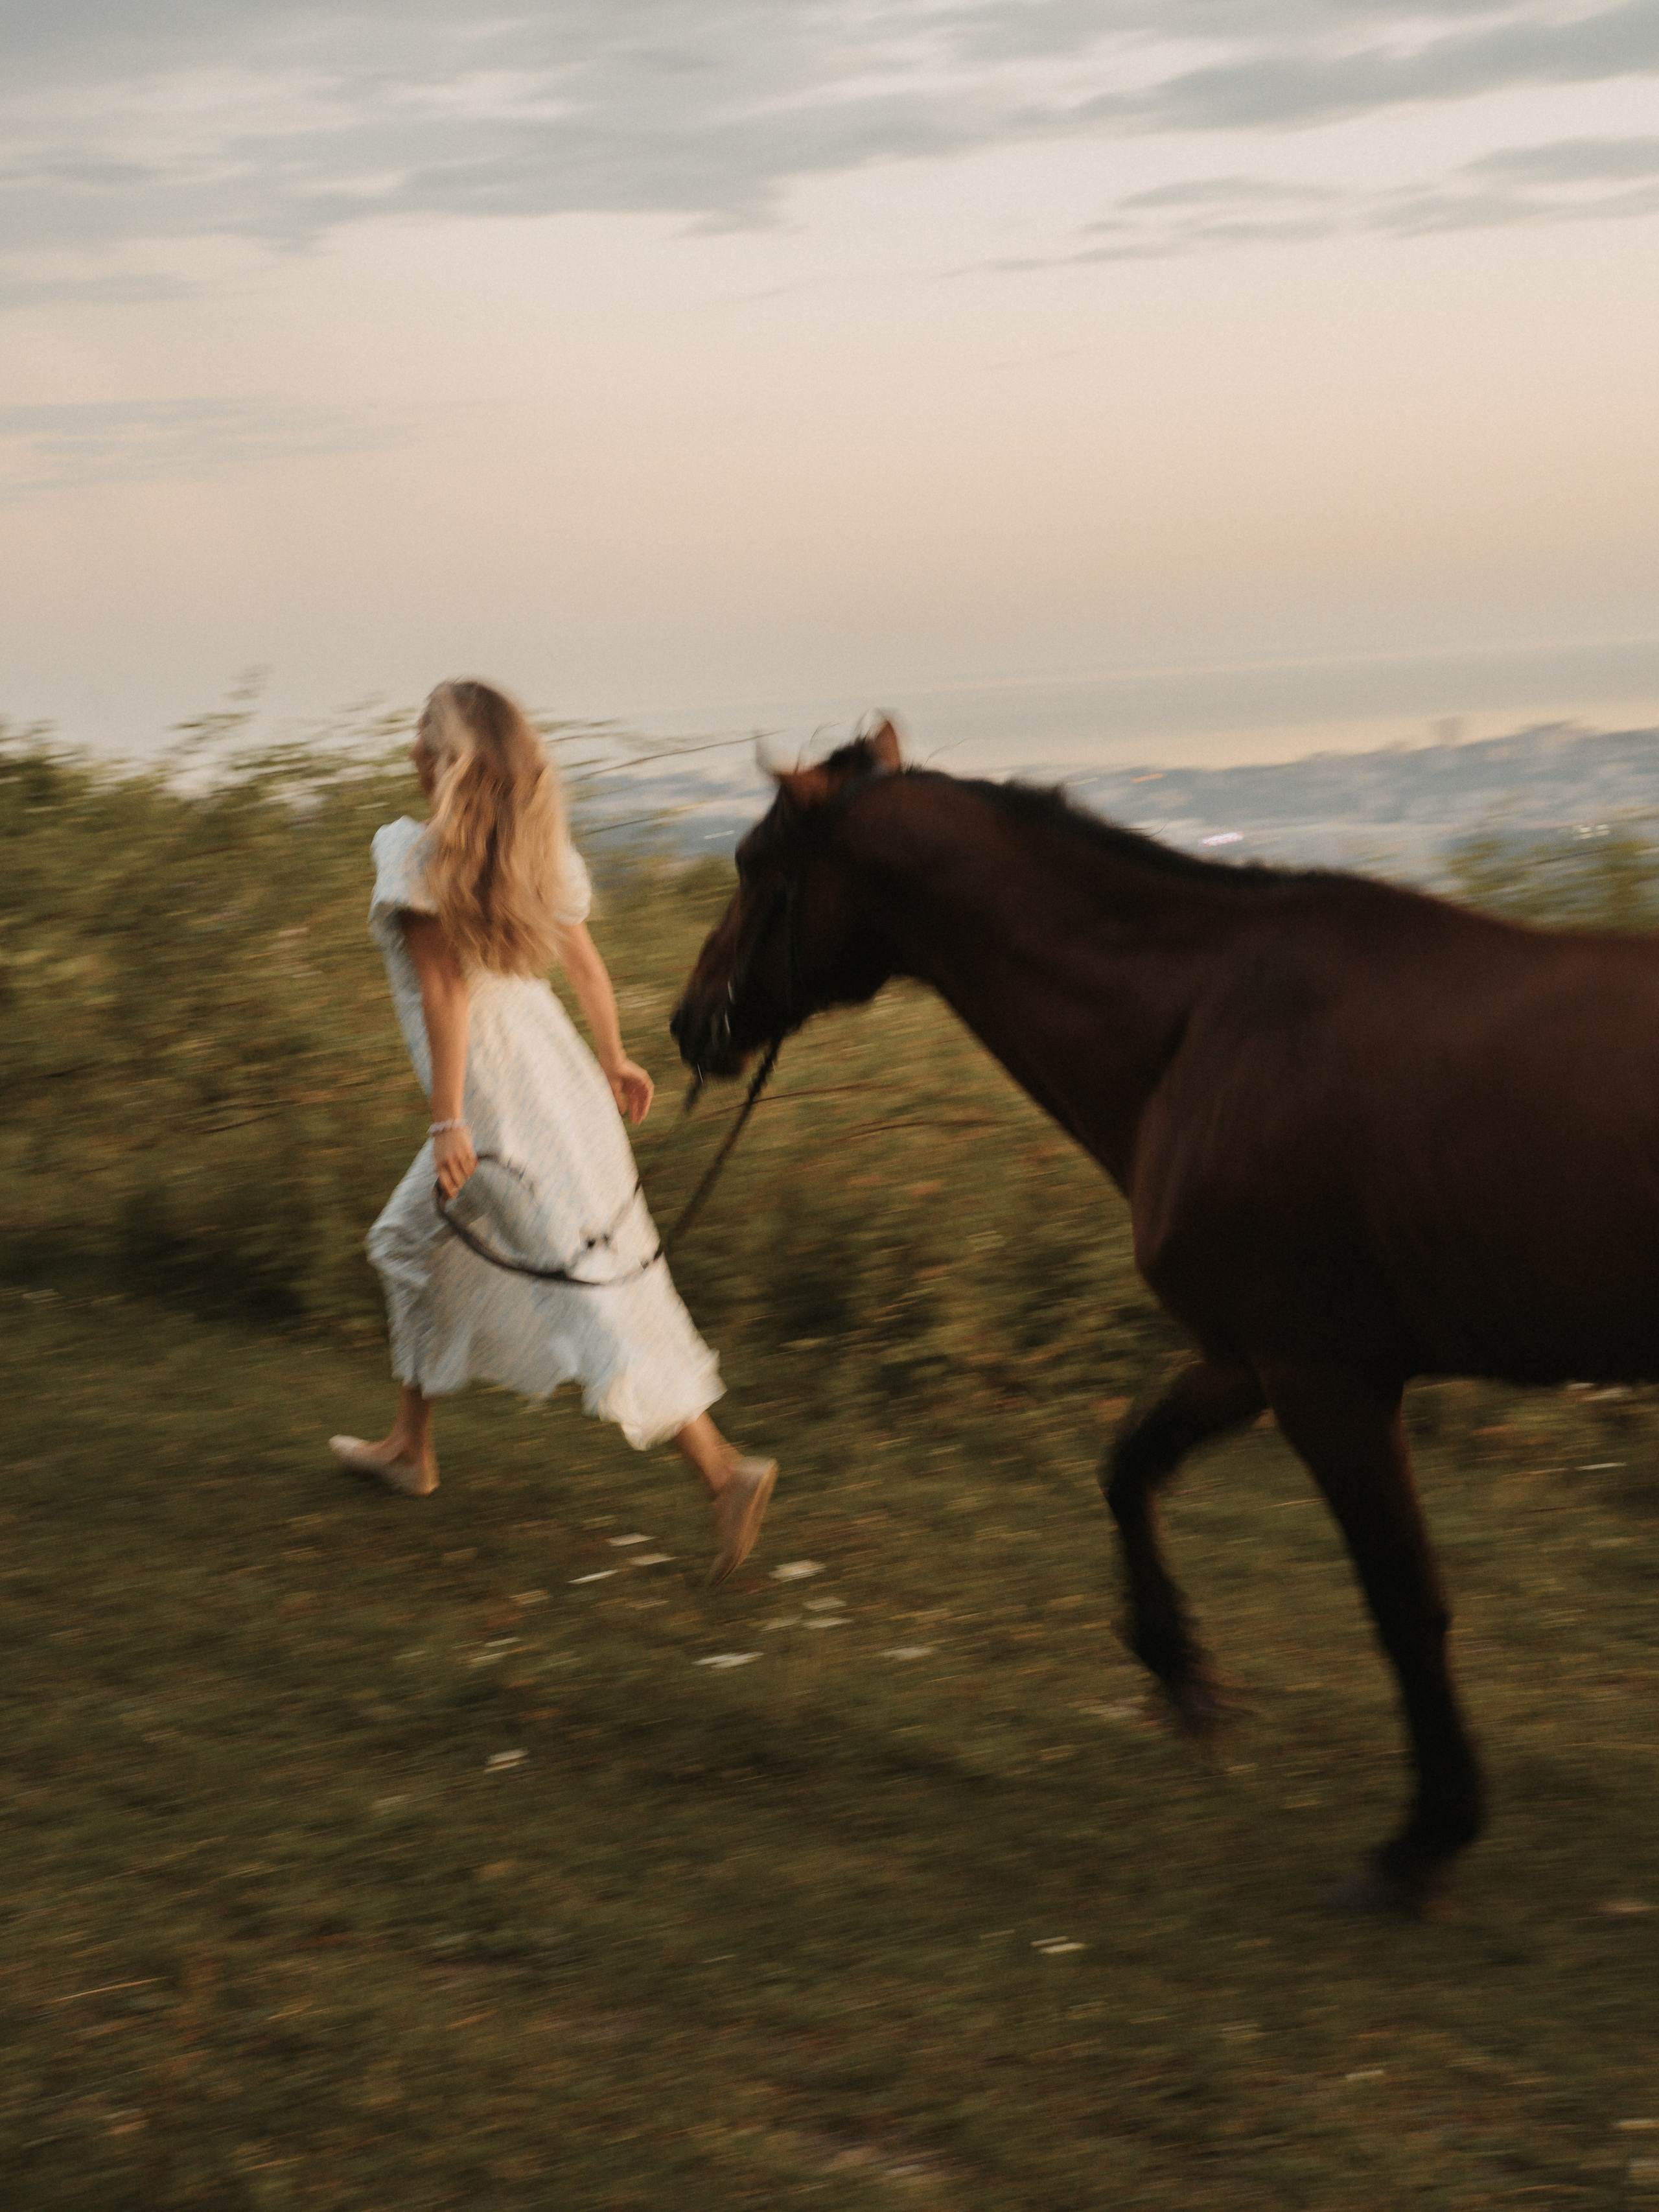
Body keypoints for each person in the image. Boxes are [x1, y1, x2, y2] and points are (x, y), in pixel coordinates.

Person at [329, 678, 777, 1583]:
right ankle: (409, 1448)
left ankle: (725, 1472)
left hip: (490, 1107)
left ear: (444, 763)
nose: (411, 746)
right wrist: (610, 1059)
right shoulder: (534, 853)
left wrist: (450, 1121)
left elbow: (445, 994)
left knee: (585, 1284)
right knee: (409, 1241)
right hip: (553, 1082)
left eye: (424, 735)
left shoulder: (410, 854)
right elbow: (586, 967)